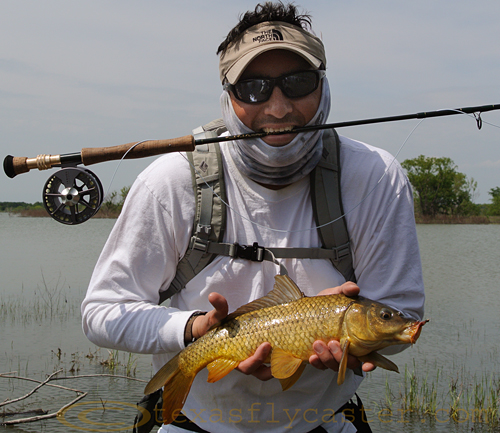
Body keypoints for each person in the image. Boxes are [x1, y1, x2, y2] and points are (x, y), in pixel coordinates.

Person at [82, 2, 425, 432]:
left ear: (323, 85)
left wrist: (355, 343)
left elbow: (401, 310)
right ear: (227, 96)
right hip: (195, 422)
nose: (278, 108)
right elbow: (101, 312)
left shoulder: (375, 177)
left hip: (324, 420)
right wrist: (193, 330)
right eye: (254, 88)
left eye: (298, 83)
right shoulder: (171, 180)